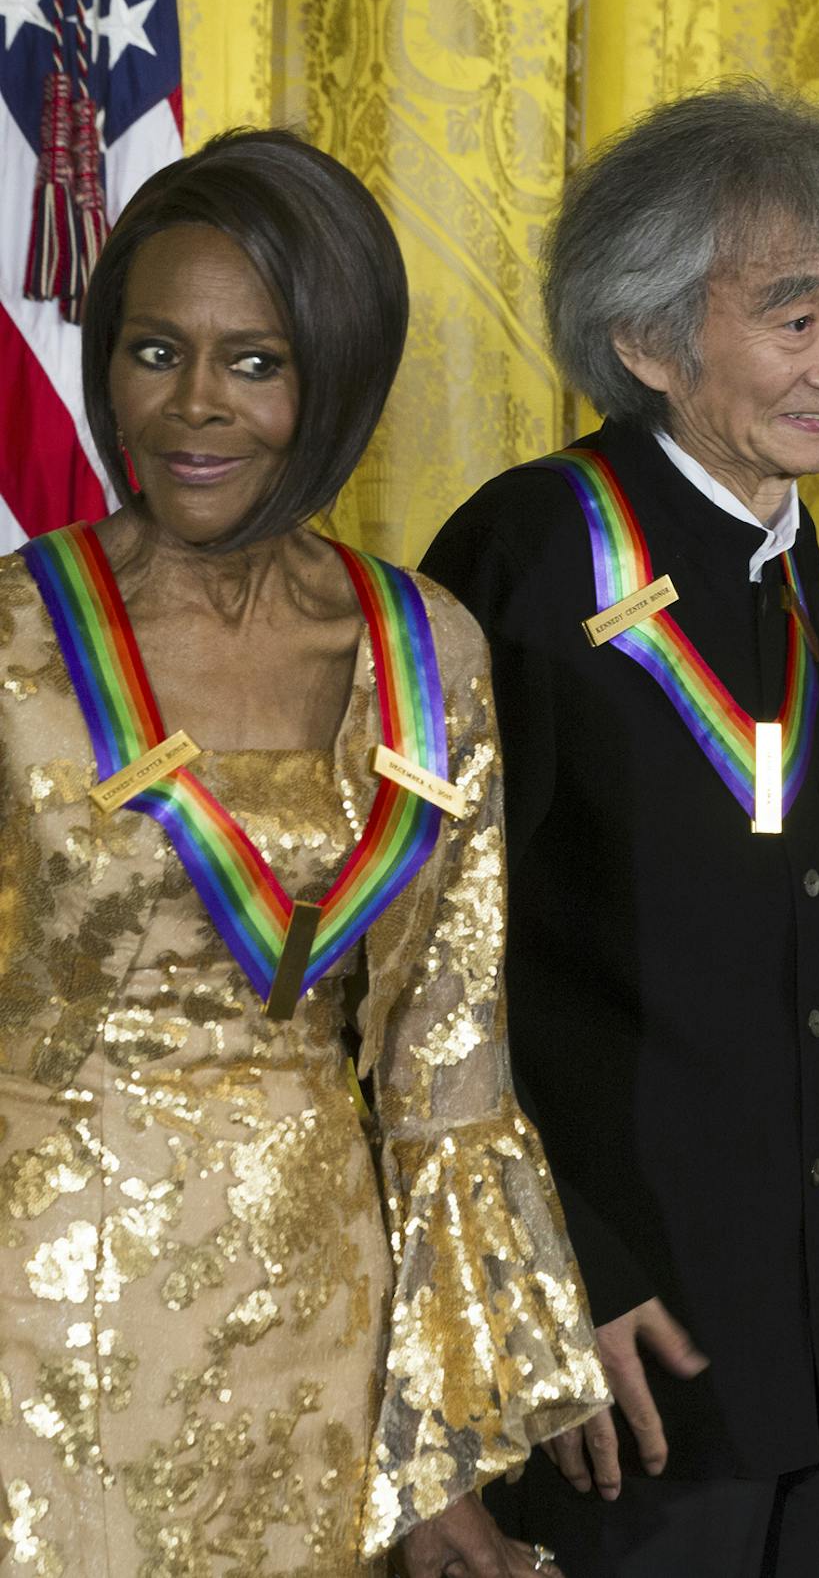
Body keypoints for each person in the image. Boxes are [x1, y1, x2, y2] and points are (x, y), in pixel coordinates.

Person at [0, 130, 605, 1577]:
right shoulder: (16, 636)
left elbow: (445, 1071)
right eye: (155, 350)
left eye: (255, 362)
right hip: (30, 1322)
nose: (193, 405)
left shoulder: (427, 652)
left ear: (333, 377)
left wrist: (438, 1456)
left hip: (318, 1332)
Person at [422, 86, 819, 1575]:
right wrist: (563, 1280)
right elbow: (443, 965)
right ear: (645, 341)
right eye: (796, 315)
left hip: (810, 1326)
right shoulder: (531, 545)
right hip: (625, 1335)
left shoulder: (783, 540)